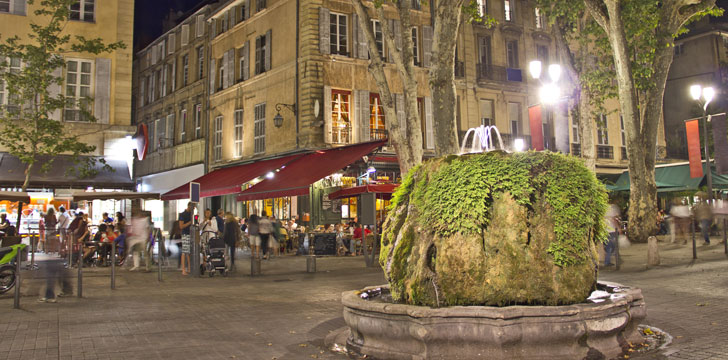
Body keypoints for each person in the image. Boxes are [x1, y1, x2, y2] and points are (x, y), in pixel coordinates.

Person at [178, 202, 194, 274]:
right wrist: (190, 222)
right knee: (185, 251)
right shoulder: (182, 215)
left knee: (189, 252)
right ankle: (183, 269)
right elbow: (181, 226)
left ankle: (190, 268)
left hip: (191, 234)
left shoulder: (192, 215)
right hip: (185, 234)